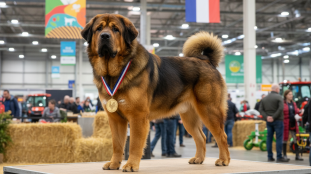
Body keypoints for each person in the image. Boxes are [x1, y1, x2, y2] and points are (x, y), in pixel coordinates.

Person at [259, 84, 289, 162]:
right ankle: (279, 157)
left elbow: (261, 110)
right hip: (278, 120)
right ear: (276, 89)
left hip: (269, 122)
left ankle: (270, 157)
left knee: (269, 138)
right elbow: (281, 108)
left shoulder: (265, 98)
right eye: (279, 89)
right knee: (279, 138)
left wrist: (267, 117)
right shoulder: (279, 97)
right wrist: (274, 117)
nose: (279, 90)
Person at [282, 90, 302, 161]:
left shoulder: (294, 103)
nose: (291, 95)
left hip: (294, 123)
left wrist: (299, 112)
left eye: (291, 94)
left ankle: (297, 155)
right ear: (286, 95)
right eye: (290, 94)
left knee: (296, 139)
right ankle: (284, 155)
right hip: (286, 123)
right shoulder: (283, 103)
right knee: (285, 139)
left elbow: (296, 111)